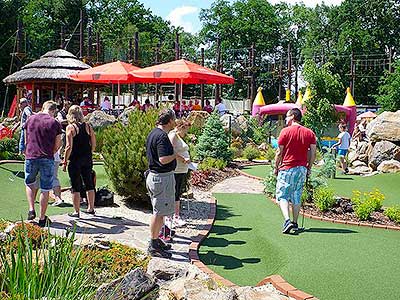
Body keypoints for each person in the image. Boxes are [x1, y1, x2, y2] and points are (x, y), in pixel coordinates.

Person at [275, 108, 316, 234]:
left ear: (292, 116)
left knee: (282, 195)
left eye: (287, 116)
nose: (286, 119)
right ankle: (295, 223)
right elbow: (313, 153)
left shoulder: (285, 132)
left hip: (287, 168)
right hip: (302, 169)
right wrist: (309, 168)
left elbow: (279, 152)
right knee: (296, 196)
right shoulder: (309, 133)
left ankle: (287, 221)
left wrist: (276, 167)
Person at [145, 109, 178, 258]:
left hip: (156, 176)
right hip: (161, 178)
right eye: (174, 119)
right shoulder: (162, 136)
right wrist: (175, 155)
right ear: (169, 121)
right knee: (158, 212)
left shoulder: (153, 133)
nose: (175, 121)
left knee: (160, 211)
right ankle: (153, 244)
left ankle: (156, 240)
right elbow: (163, 159)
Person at [24, 101, 62, 227]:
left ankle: (31, 209)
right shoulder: (55, 122)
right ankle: (41, 218)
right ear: (53, 110)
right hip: (47, 157)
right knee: (45, 188)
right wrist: (52, 151)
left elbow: (26, 140)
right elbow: (58, 144)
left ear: (43, 107)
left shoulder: (30, 119)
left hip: (31, 156)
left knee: (30, 182)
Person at [62, 105, 96, 218]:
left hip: (75, 159)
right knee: (89, 183)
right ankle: (91, 208)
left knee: (75, 185)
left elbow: (68, 146)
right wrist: (89, 152)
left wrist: (65, 161)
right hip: (87, 158)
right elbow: (94, 143)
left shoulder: (70, 127)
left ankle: (76, 212)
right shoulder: (88, 126)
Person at [168, 119, 191, 227]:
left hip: (182, 169)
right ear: (181, 127)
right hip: (176, 169)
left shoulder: (178, 137)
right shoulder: (173, 135)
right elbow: (170, 150)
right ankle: (172, 217)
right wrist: (183, 159)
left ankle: (176, 216)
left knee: (177, 193)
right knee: (174, 192)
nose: (186, 133)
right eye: (185, 130)